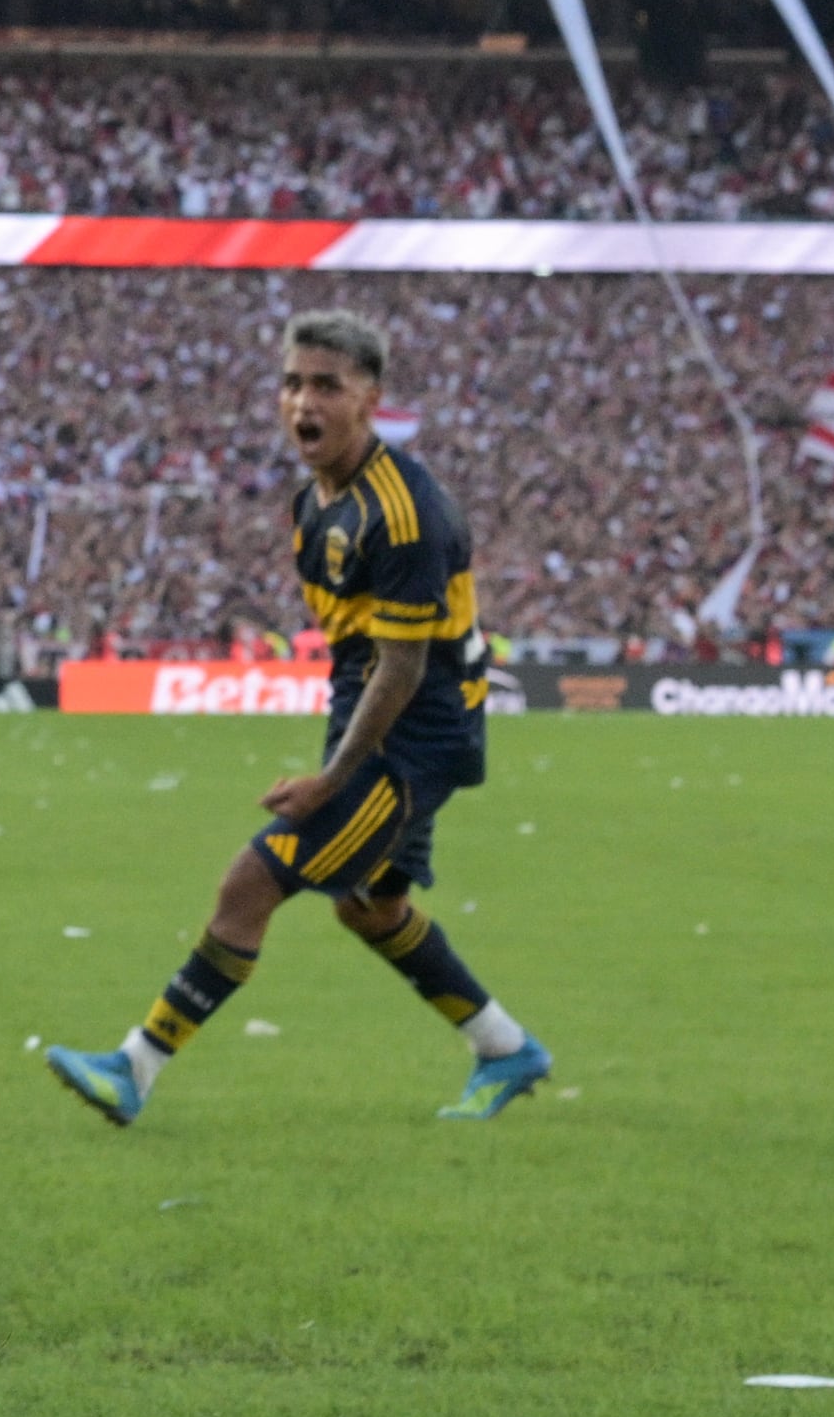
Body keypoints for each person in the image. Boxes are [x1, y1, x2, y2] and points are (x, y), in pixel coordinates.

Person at [49, 315, 546, 1127]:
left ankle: (134, 1067)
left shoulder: (406, 513)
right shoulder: (313, 503)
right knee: (370, 908)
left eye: (326, 386)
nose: (301, 402)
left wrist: (330, 781)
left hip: (416, 739)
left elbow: (403, 666)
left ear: (370, 400)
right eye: (291, 383)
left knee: (251, 884)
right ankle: (505, 1047)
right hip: (377, 717)